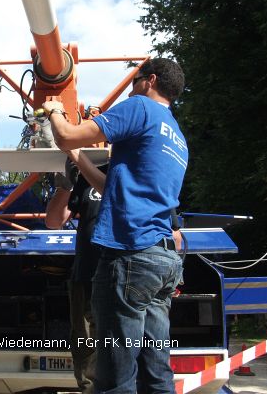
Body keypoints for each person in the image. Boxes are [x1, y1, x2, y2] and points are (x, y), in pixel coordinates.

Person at [42, 58, 188, 394]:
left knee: (112, 377)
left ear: (149, 80)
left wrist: (53, 109)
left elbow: (64, 136)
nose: (132, 86)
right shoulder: (176, 135)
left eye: (135, 80)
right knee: (155, 372)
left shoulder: (139, 107)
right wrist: (79, 157)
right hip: (162, 260)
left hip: (130, 256)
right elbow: (112, 188)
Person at [46, 155, 107, 394]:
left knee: (118, 345)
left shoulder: (132, 169)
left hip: (122, 274)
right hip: (85, 273)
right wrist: (65, 186)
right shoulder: (87, 173)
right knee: (84, 346)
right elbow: (53, 221)